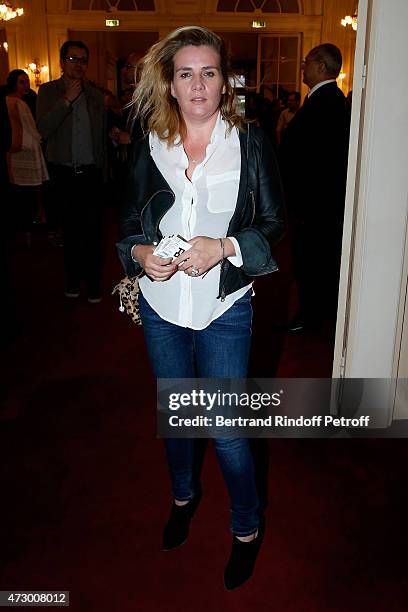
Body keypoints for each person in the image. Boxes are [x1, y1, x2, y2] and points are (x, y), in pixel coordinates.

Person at [117, 26, 285, 590]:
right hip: (162, 302)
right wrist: (141, 254)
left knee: (228, 431)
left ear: (224, 81)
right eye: (185, 73)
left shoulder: (252, 143)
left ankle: (245, 528)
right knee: (178, 420)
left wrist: (226, 246)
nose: (197, 85)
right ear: (169, 81)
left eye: (208, 73)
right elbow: (128, 226)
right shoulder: (149, 143)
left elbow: (273, 223)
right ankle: (184, 498)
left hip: (225, 307)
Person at [279, 43, 350, 333]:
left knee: (313, 262)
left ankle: (311, 317)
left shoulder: (328, 102)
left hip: (315, 205)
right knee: (311, 261)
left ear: (321, 66)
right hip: (313, 203)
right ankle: (312, 314)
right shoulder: (323, 99)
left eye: (307, 61)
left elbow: (319, 159)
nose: (302, 67)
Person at [37, 40, 106, 302]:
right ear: (62, 62)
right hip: (62, 173)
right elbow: (42, 129)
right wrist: (66, 101)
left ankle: (94, 285)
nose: (78, 65)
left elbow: (99, 137)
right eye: (73, 59)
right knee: (70, 232)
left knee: (93, 232)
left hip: (90, 174)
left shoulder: (96, 95)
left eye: (83, 60)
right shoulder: (48, 91)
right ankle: (73, 281)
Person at [5, 70, 49, 246]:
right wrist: (40, 139)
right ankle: (32, 225)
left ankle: (27, 229)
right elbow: (30, 128)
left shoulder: (11, 101)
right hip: (26, 149)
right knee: (31, 191)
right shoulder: (17, 103)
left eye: (27, 82)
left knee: (22, 191)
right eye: (22, 82)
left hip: (17, 150)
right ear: (14, 83)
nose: (26, 86)